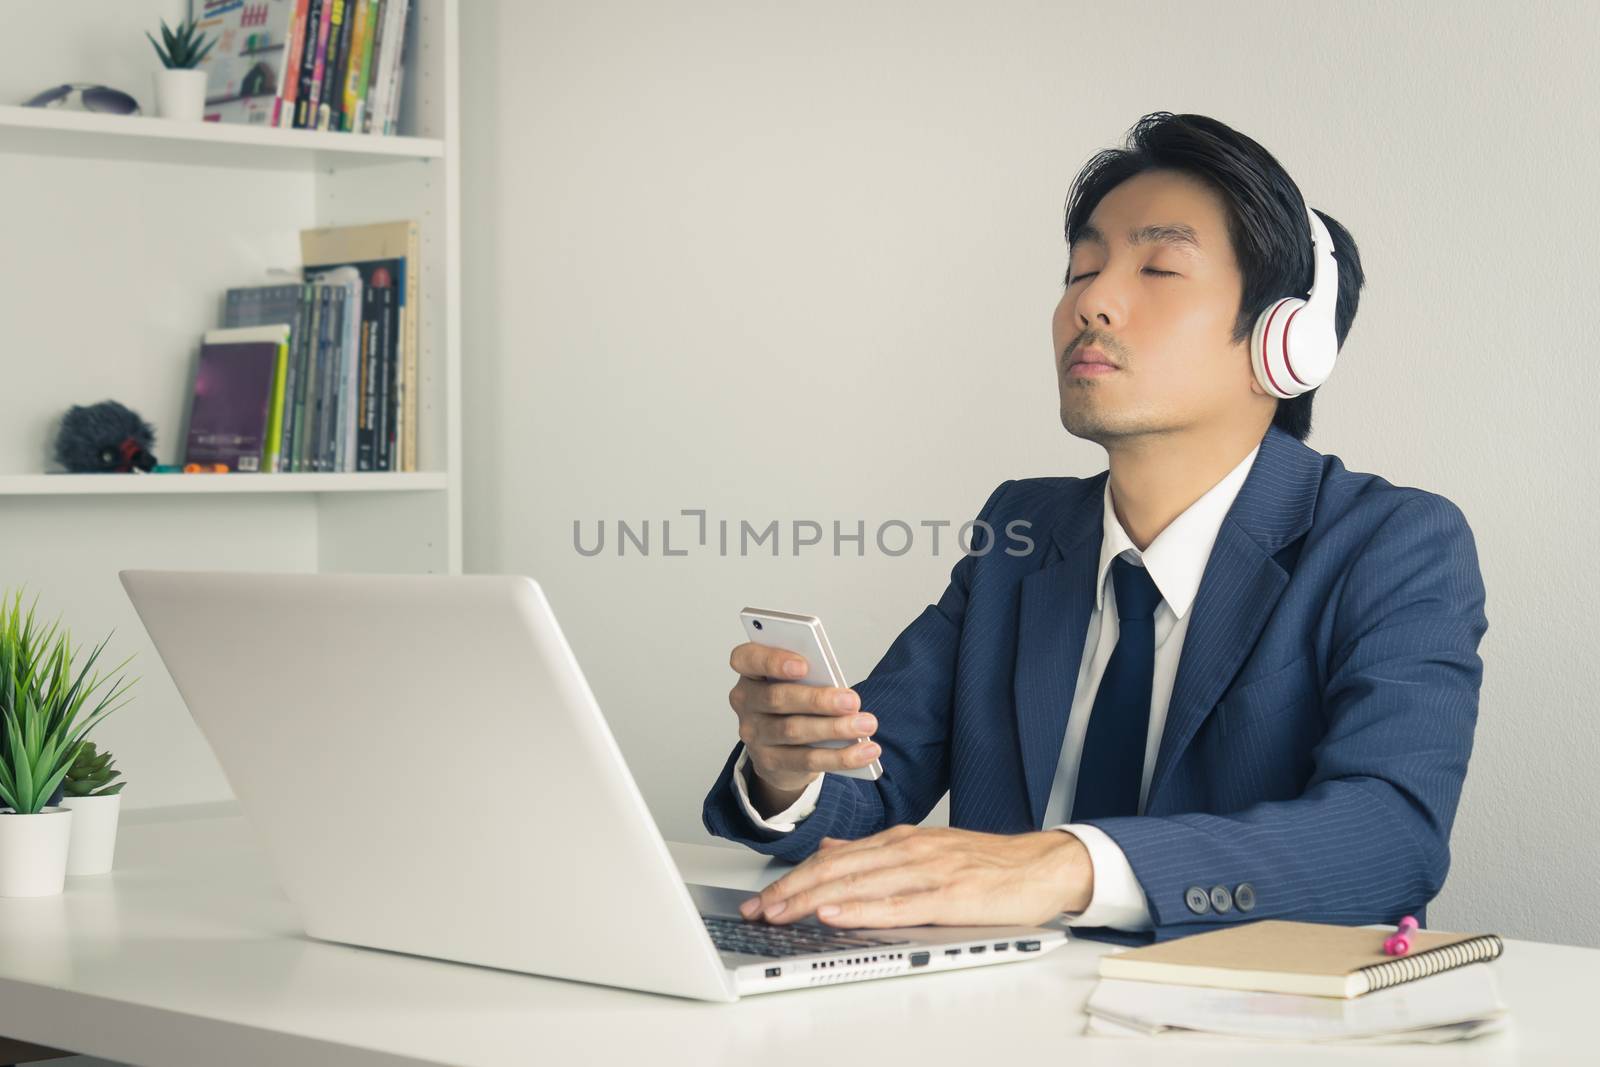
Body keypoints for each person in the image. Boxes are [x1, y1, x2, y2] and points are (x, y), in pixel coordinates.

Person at [701, 112, 1488, 944]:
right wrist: (787, 771)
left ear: (1285, 342)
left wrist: (1064, 865)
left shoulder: (1395, 543)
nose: (1092, 301)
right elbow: (875, 779)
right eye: (1081, 267)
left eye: (1158, 267)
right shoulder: (1023, 530)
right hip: (1004, 1011)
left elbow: (1388, 838)